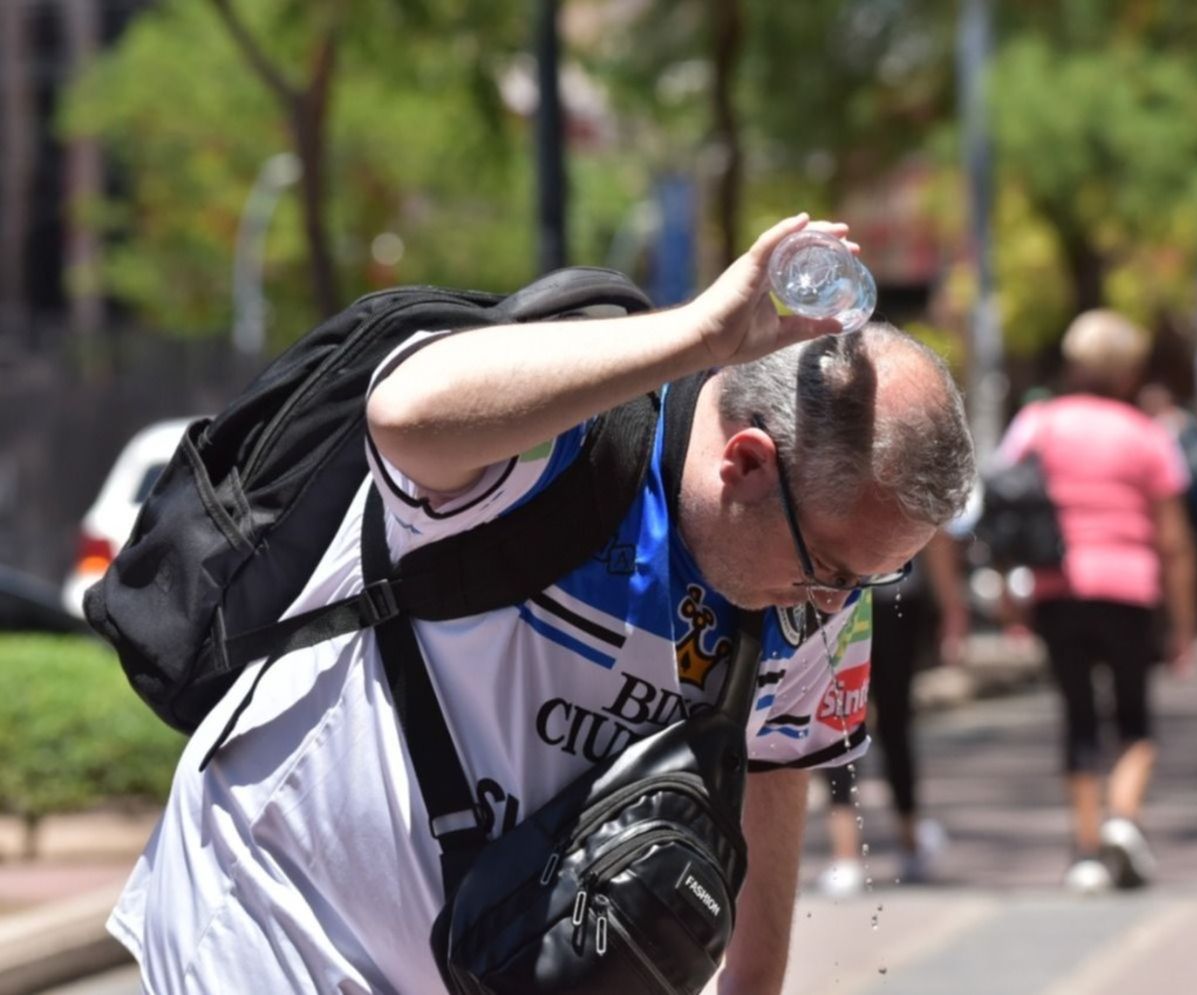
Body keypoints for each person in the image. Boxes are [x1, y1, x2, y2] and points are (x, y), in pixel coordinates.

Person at [106, 215, 977, 994]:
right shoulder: (569, 441)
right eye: (830, 569)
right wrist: (699, 336)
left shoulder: (816, 592)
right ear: (745, 464)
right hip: (279, 914)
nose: (835, 606)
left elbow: (774, 766)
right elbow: (404, 413)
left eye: (868, 580)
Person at [989, 309, 1197, 895]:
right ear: (1129, 372)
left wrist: (1010, 593)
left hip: (1060, 590)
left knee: (1078, 721)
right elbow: (1175, 542)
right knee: (1135, 722)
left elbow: (1006, 507)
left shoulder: (1037, 423)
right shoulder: (1147, 435)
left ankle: (1086, 855)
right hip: (1130, 589)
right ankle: (1123, 820)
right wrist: (1185, 625)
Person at [815, 529, 970, 896]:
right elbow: (935, 533)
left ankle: (847, 854)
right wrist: (952, 607)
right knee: (894, 722)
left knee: (837, 717)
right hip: (892, 595)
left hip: (836, 593)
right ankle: (908, 840)